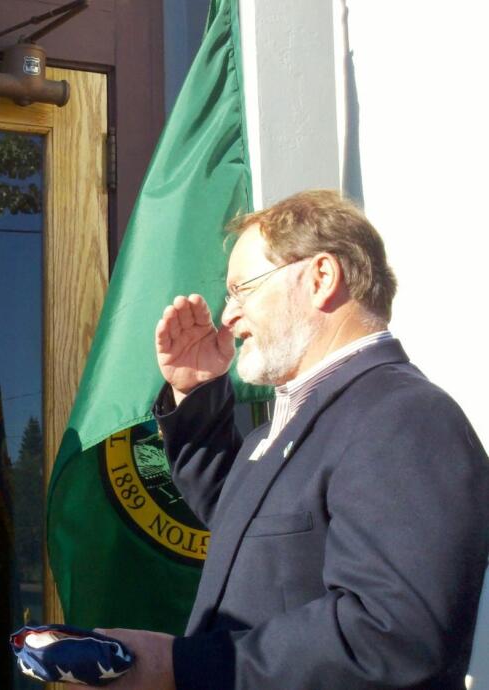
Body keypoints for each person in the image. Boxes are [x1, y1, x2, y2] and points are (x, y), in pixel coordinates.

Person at [101, 190, 489, 689]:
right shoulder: (296, 424)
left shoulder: (408, 418)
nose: (228, 316)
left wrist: (180, 666)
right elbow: (247, 519)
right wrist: (195, 392)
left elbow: (391, 635)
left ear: (321, 277)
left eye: (244, 289)